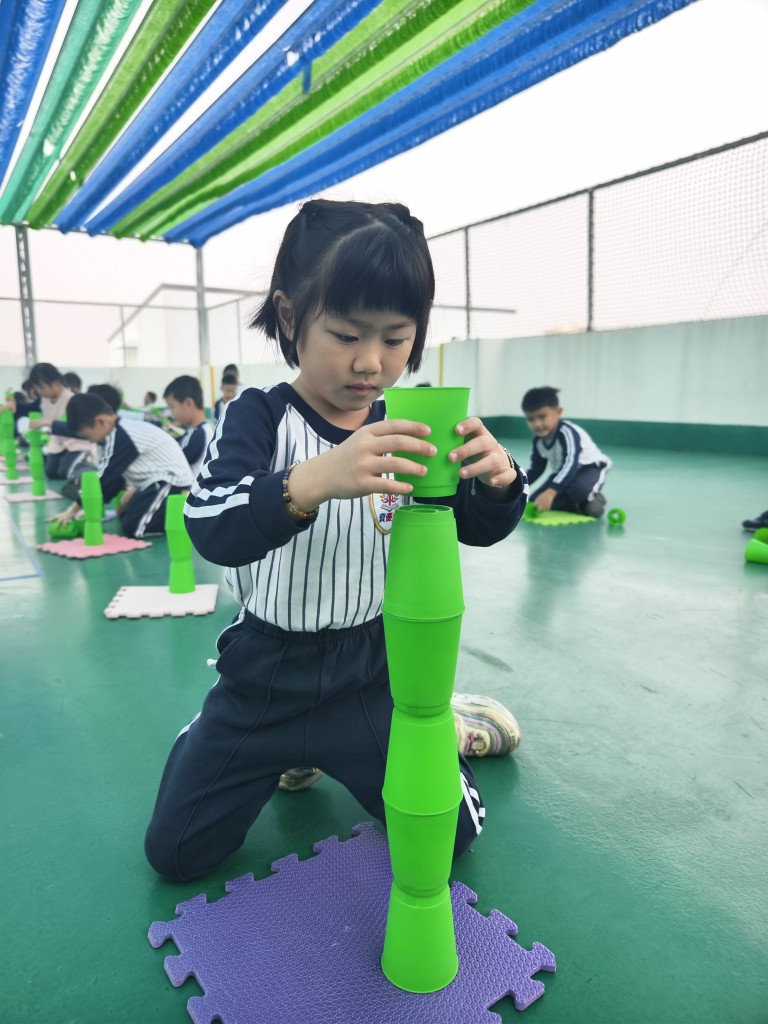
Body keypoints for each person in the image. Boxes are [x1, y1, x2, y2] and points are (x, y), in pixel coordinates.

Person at [144, 199, 527, 883]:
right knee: (176, 855)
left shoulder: (407, 426)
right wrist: (313, 480)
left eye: (396, 338)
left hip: (368, 674)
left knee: (450, 837)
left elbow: (472, 523)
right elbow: (210, 521)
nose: (371, 362)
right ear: (291, 317)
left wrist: (498, 485)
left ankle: (444, 720)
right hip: (263, 676)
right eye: (346, 334)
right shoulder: (258, 416)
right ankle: (214, 737)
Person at [52, 392, 194, 538]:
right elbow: (117, 476)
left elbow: (106, 478)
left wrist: (73, 510)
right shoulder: (116, 432)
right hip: (155, 482)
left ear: (101, 421)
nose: (90, 441)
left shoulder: (122, 435)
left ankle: (184, 517)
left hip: (172, 482)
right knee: (125, 515)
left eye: (88, 436)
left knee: (136, 528)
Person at [522, 385, 611, 518]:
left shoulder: (567, 433)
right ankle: (580, 504)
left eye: (542, 417)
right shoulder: (538, 441)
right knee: (536, 501)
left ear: (558, 412)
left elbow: (571, 463)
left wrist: (551, 491)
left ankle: (592, 497)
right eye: (531, 419)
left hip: (590, 468)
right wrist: (518, 487)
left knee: (578, 491)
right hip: (563, 472)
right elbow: (536, 469)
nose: (537, 424)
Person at [27, 362, 92, 479]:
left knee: (64, 471)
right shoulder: (44, 400)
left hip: (78, 444)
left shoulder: (71, 399)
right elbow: (26, 408)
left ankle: (86, 464)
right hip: (59, 443)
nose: (40, 391)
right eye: (37, 388)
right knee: (51, 472)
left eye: (41, 387)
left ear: (55, 383)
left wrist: (48, 423)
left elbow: (78, 429)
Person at [163, 375, 214, 478]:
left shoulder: (200, 434)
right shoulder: (194, 431)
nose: (171, 412)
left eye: (172, 407)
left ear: (188, 403)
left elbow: (176, 464)